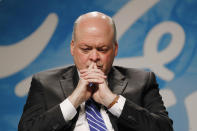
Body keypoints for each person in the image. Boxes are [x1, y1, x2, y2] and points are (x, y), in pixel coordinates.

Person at [18, 11, 173, 131]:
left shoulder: (142, 80)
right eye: (85, 49)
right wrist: (74, 100)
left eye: (102, 49)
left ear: (115, 49)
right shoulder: (44, 83)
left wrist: (112, 101)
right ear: (73, 47)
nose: (94, 57)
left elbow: (164, 128)